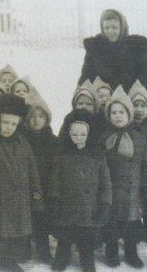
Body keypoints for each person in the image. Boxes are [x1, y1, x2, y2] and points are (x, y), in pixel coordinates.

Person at [0, 93, 44, 272]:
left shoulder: (23, 144)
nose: (9, 128)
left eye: (13, 124)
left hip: (18, 201)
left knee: (15, 236)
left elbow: (33, 173)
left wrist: (36, 197)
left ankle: (8, 261)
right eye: (6, 122)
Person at [101, 86, 147, 269]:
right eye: (114, 112)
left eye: (122, 112)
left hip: (132, 193)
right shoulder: (105, 138)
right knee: (111, 225)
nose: (118, 116)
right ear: (109, 116)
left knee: (131, 227)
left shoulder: (139, 139)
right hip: (111, 192)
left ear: (129, 113)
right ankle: (111, 252)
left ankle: (131, 253)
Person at [50, 109, 111, 272]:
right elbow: (54, 181)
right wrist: (55, 200)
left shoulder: (98, 156)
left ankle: (87, 259)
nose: (78, 138)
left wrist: (105, 203)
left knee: (86, 239)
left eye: (83, 134)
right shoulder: (61, 156)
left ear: (89, 134)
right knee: (65, 237)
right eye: (74, 134)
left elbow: (106, 183)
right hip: (67, 207)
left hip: (88, 207)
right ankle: (62, 257)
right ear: (68, 134)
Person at [78, 9, 147, 100]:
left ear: (122, 27)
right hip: (103, 104)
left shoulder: (139, 48)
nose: (110, 31)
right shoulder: (95, 48)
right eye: (106, 28)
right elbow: (86, 79)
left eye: (114, 27)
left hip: (131, 107)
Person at [24, 92, 58, 264]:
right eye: (32, 116)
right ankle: (25, 246)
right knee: (27, 217)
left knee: (42, 219)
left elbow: (57, 167)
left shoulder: (53, 140)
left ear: (47, 118)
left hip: (45, 186)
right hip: (26, 187)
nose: (36, 120)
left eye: (40, 116)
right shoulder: (22, 140)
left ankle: (43, 249)